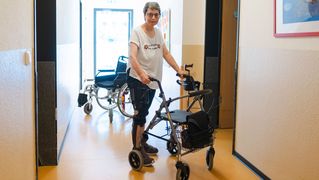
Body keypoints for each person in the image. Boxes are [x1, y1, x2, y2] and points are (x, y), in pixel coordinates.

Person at [127, 2, 185, 166]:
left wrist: (178, 69)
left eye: (156, 15)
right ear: (144, 14)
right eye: (150, 14)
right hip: (137, 79)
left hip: (153, 80)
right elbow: (132, 57)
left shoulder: (158, 33)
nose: (153, 17)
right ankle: (137, 149)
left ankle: (141, 142)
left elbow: (165, 53)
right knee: (140, 115)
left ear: (159, 16)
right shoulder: (137, 32)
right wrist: (141, 73)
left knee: (144, 112)